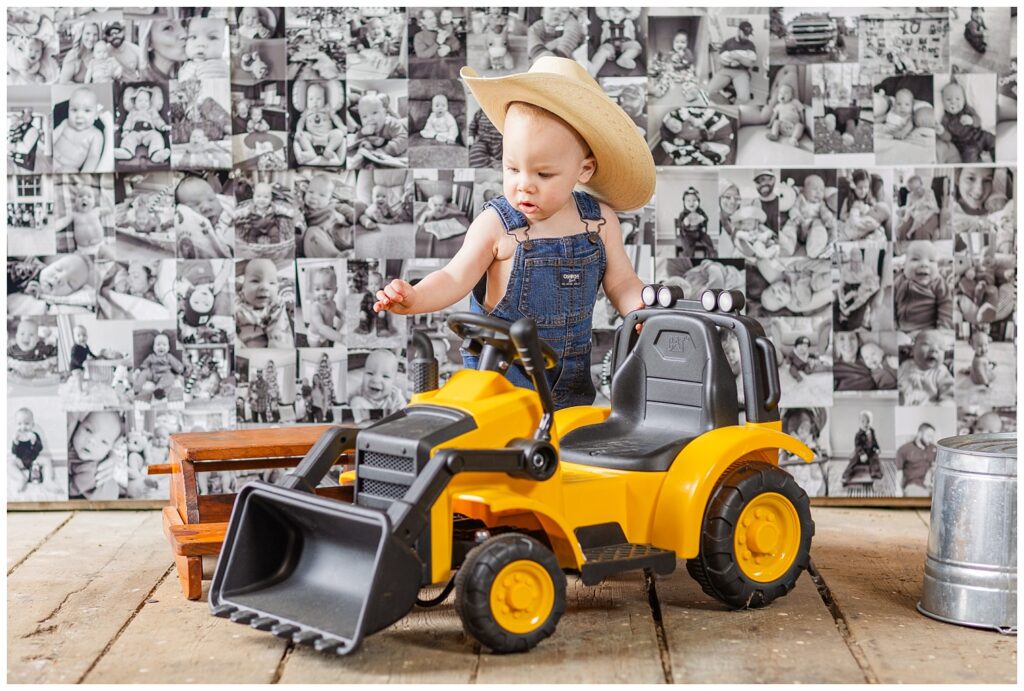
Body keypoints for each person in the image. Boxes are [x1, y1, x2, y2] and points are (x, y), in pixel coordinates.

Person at [373, 57, 655, 409]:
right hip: (502, 381)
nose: (524, 186)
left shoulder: (599, 222)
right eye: (512, 168)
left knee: (565, 452)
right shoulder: (497, 225)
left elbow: (622, 283)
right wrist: (414, 298)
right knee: (504, 456)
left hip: (571, 381)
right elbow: (453, 277)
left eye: (544, 174)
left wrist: (642, 308)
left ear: (583, 170)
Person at [894, 242, 953, 332]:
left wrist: (943, 327)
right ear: (904, 265)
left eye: (931, 260)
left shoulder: (938, 282)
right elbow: (891, 305)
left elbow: (946, 304)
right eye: (915, 259)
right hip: (901, 329)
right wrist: (893, 323)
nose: (924, 264)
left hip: (929, 329)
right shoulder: (899, 281)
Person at [235, 258, 294, 348]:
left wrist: (276, 343)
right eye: (255, 281)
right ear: (243, 287)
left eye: (272, 283)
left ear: (277, 288)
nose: (264, 287)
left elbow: (279, 329)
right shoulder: (237, 302)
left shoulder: (275, 306)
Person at [52, 87, 106, 173]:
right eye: (74, 110)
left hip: (69, 168)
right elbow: (53, 137)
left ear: (96, 115)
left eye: (87, 110)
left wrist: (85, 173)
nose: (79, 115)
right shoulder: (65, 123)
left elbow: (93, 157)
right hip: (53, 159)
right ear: (68, 110)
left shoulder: (96, 135)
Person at [706, 20, 758, 104]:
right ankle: (727, 104)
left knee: (744, 99)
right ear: (739, 31)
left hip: (741, 72)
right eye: (745, 34)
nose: (747, 37)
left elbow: (750, 64)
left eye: (748, 35)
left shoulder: (750, 45)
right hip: (726, 70)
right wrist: (730, 63)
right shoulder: (728, 42)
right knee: (709, 91)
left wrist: (738, 57)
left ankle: (735, 107)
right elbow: (720, 59)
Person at [349, 349, 408, 423]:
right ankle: (362, 421)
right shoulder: (360, 389)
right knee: (356, 401)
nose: (376, 380)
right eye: (370, 373)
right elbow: (350, 399)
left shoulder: (395, 395)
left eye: (385, 376)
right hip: (367, 420)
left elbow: (404, 410)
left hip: (388, 421)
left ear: (393, 381)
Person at [898, 329, 954, 406]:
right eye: (926, 344)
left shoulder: (941, 371)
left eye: (941, 348)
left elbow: (950, 394)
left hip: (931, 410)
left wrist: (943, 405)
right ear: (912, 350)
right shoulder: (905, 366)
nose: (934, 350)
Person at [895, 423, 936, 497]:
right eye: (929, 436)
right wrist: (898, 489)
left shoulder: (933, 448)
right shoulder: (904, 450)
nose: (931, 439)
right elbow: (899, 473)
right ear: (919, 434)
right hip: (913, 485)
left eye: (932, 437)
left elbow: (937, 466)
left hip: (931, 485)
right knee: (924, 499)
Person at [842, 410, 882, 483]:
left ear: (871, 422)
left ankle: (875, 472)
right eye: (863, 422)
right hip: (860, 451)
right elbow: (858, 446)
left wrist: (877, 448)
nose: (865, 424)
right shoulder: (858, 434)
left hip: (870, 451)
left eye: (868, 422)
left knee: (875, 458)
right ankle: (846, 474)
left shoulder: (872, 431)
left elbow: (874, 441)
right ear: (859, 423)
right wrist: (862, 454)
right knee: (853, 460)